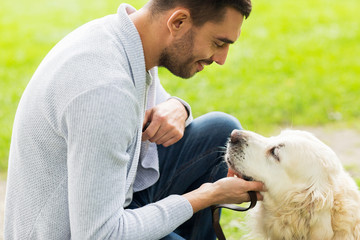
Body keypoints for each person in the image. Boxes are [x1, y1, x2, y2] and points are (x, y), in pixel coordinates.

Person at [4, 0, 265, 239]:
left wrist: (178, 107)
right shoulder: (104, 91)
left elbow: (157, 105)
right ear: (178, 22)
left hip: (112, 203)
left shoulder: (126, 37)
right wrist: (209, 194)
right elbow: (100, 235)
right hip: (79, 232)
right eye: (218, 43)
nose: (221, 59)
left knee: (219, 132)